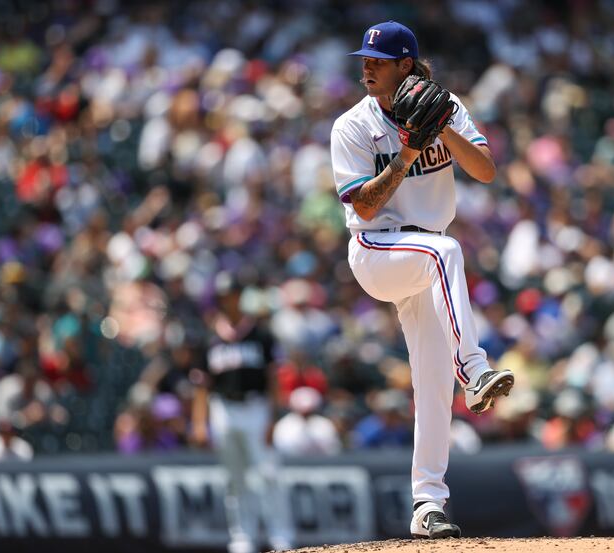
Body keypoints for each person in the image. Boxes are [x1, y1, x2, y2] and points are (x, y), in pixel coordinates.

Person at [330, 20, 515, 539]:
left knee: (431, 384)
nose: (366, 67)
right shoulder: (351, 125)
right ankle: (475, 368)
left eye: (378, 60)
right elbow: (363, 207)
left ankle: (427, 504)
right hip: (378, 251)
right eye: (364, 59)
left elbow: (485, 170)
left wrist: (442, 128)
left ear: (405, 64)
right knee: (446, 251)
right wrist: (410, 150)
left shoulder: (446, 104)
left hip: (425, 258)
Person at [191, 272, 294, 553]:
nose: (230, 300)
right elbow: (202, 386)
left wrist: (274, 417)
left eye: (234, 295)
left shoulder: (260, 335)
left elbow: (274, 380)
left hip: (256, 407)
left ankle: (280, 536)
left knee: (269, 473)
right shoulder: (211, 338)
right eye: (226, 296)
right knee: (234, 478)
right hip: (223, 408)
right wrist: (199, 423)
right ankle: (242, 537)